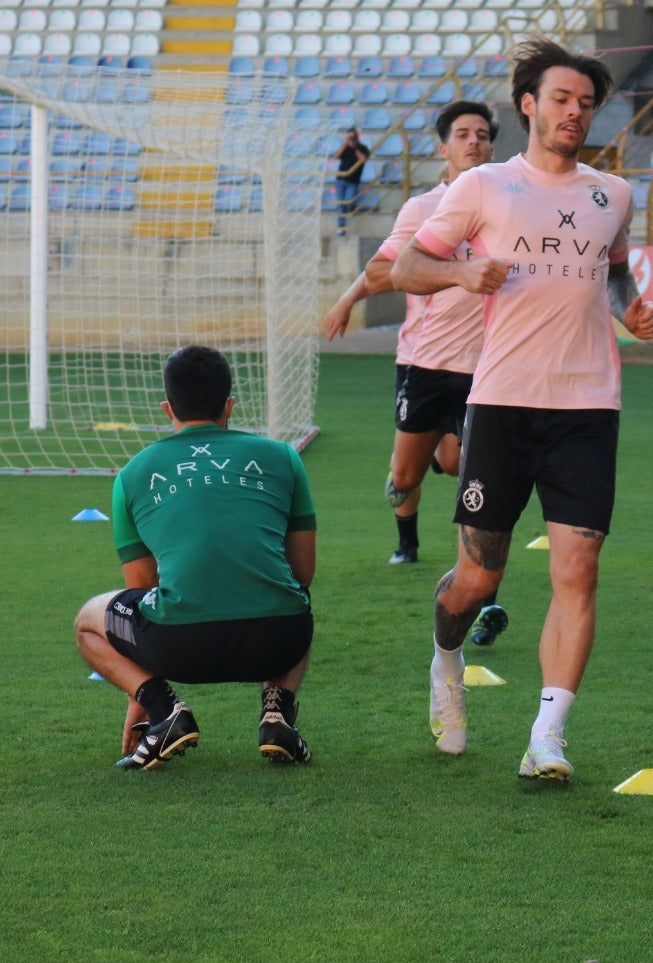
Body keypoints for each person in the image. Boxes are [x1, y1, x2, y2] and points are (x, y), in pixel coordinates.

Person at [390, 37, 653, 781]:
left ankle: (548, 734)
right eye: (562, 100)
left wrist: (633, 309)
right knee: (478, 580)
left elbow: (614, 274)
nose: (575, 113)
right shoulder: (482, 186)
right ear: (529, 106)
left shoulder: (613, 194)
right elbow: (407, 266)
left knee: (579, 569)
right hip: (502, 403)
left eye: (586, 104)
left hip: (588, 408)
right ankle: (446, 662)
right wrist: (462, 271)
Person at [72, 346, 317, 770]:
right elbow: (302, 572)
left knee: (87, 622)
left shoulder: (132, 474)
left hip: (180, 649)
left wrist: (140, 692)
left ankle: (165, 711)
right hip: (281, 640)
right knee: (291, 593)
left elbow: (141, 588)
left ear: (168, 409)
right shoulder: (284, 458)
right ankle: (278, 714)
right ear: (230, 406)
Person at [323, 100, 509, 646]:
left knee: (477, 484)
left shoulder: (509, 208)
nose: (473, 141)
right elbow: (383, 269)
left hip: (486, 371)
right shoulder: (424, 208)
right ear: (442, 147)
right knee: (404, 478)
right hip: (424, 365)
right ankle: (406, 537)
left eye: (482, 134)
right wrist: (347, 299)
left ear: (492, 146)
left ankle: (483, 601)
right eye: (462, 134)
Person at [331, 127, 370, 236]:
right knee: (340, 204)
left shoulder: (362, 148)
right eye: (349, 136)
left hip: (353, 181)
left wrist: (355, 148)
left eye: (352, 136)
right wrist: (345, 144)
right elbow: (336, 156)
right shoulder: (344, 147)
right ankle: (341, 228)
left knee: (349, 200)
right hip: (340, 180)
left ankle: (352, 207)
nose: (350, 139)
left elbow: (363, 160)